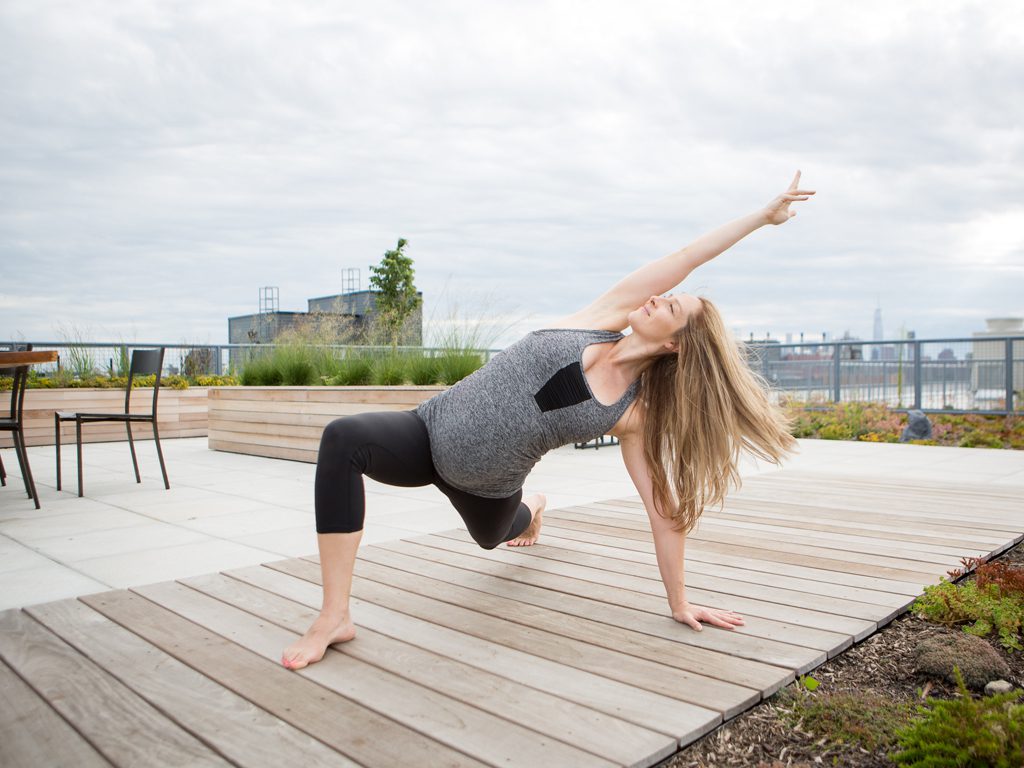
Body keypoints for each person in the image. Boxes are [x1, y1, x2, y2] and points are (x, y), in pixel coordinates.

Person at [281, 171, 814, 670]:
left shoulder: (634, 413)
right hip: (426, 433)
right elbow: (685, 256)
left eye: (668, 308)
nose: (656, 299)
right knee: (343, 438)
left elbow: (662, 508)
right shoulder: (601, 320)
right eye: (663, 296)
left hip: (487, 488)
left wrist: (680, 602)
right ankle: (335, 616)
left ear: (674, 345)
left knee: (494, 538)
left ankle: (531, 507)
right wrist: (761, 217)